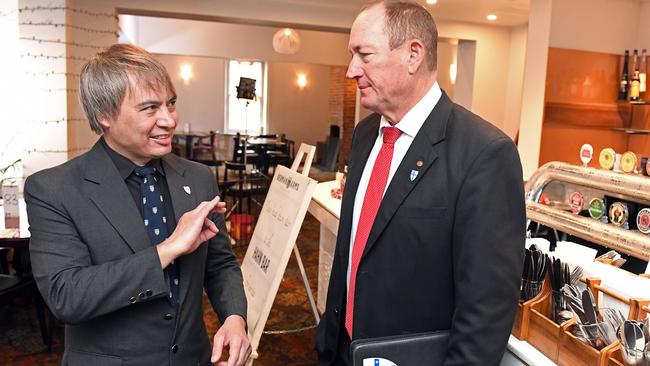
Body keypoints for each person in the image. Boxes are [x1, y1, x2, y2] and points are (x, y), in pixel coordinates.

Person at [315, 2, 526, 365]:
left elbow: (486, 310)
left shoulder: (485, 154)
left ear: (413, 54)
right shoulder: (367, 134)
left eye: (364, 55)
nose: (351, 71)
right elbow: (354, 252)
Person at [25, 44, 251, 366]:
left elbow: (219, 264)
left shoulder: (199, 178)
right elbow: (67, 296)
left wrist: (234, 317)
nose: (168, 120)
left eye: (171, 104)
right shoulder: (54, 190)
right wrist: (168, 249)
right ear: (104, 115)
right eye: (149, 108)